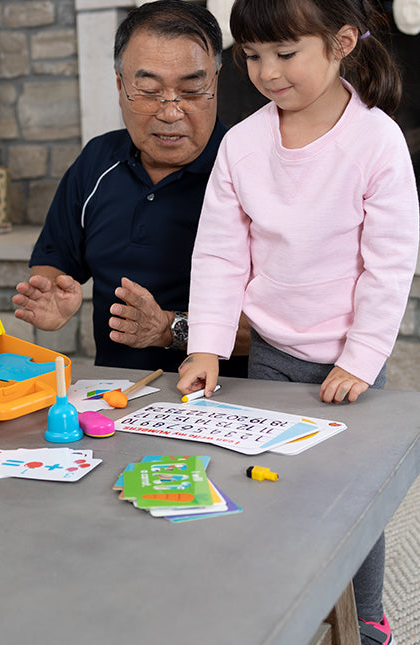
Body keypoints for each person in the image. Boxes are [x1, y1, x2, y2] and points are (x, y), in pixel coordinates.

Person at [177, 1, 419, 644]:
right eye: (252, 56)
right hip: (273, 351)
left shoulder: (376, 141)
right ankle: (293, 606)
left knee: (349, 504)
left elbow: (389, 265)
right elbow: (222, 251)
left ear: (341, 43)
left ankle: (367, 622)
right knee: (274, 485)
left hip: (347, 364)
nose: (266, 72)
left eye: (285, 54)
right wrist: (205, 344)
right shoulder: (243, 143)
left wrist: (361, 358)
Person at [13, 0, 249, 374]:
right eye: (150, 91)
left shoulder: (251, 167)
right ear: (121, 85)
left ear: (216, 81)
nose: (170, 112)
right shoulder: (97, 160)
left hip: (231, 400)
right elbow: (55, 262)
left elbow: (283, 332)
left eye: (190, 91)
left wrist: (168, 330)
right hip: (116, 397)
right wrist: (53, 294)